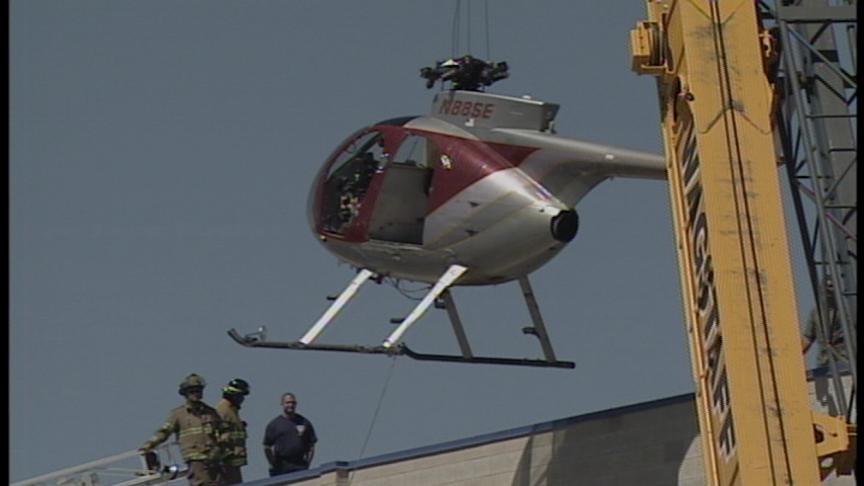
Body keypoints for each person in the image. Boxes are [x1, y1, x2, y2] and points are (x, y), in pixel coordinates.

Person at [140, 374, 226, 486]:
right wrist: (149, 445)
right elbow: (164, 432)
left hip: (214, 459)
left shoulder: (211, 412)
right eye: (192, 391)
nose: (196, 393)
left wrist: (219, 449)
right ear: (185, 393)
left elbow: (224, 432)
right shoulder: (178, 414)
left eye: (198, 390)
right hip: (196, 459)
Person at [263, 392, 318, 476]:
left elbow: (311, 445)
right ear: (282, 403)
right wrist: (273, 463)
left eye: (293, 402)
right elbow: (266, 446)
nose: (291, 405)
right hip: (281, 466)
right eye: (288, 402)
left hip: (300, 465)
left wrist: (307, 463)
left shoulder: (304, 422)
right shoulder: (274, 424)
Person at [801, 278, 849, 368]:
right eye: (827, 287)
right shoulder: (815, 312)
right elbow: (808, 337)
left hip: (844, 359)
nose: (829, 290)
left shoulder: (845, 310)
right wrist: (795, 357)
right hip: (824, 361)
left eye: (831, 287)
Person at [215, 378, 250, 485]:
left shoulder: (232, 410)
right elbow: (217, 436)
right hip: (226, 463)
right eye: (241, 396)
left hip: (233, 463)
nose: (242, 399)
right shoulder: (223, 410)